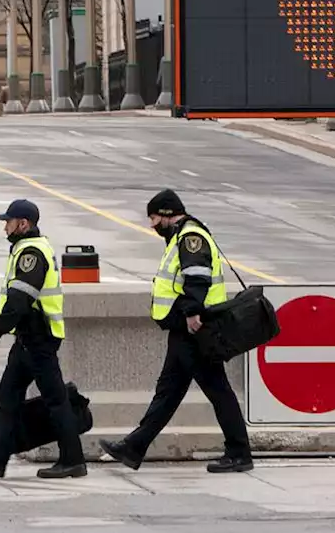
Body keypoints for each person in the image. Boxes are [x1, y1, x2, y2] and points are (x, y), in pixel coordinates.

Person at [99, 190, 253, 474]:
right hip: (184, 328)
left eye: (154, 218)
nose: (152, 225)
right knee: (168, 392)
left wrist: (193, 311)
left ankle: (239, 452)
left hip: (195, 328)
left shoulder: (190, 238)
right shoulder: (180, 236)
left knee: (217, 390)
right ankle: (134, 447)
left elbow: (197, 276)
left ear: (168, 214)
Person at [0, 199, 87, 480]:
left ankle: (72, 460)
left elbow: (19, 300)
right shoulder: (25, 249)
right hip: (29, 338)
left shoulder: (31, 253)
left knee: (55, 400)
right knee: (8, 395)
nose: (5, 228)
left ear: (23, 223)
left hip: (39, 338)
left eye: (8, 222)